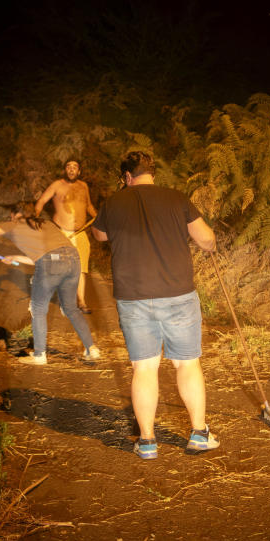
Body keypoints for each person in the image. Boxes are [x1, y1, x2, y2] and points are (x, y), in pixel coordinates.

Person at [91, 151, 219, 459]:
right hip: (177, 293)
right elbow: (207, 240)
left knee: (144, 368)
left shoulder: (113, 203)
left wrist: (119, 203)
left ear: (126, 177)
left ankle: (147, 441)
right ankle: (199, 434)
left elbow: (99, 235)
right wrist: (206, 244)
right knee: (187, 363)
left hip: (133, 297)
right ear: (152, 173)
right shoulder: (177, 198)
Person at [0, 214, 101, 364]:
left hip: (52, 260)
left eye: (12, 215)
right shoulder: (45, 224)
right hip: (73, 258)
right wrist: (17, 258)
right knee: (71, 308)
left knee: (38, 309)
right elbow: (51, 257)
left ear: (16, 216)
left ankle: (39, 355)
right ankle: (91, 349)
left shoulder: (12, 225)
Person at [35, 160, 98, 314]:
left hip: (81, 233)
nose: (71, 169)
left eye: (74, 167)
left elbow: (88, 205)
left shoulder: (83, 186)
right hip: (61, 233)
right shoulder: (57, 185)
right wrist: (35, 217)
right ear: (65, 170)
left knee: (81, 269)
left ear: (79, 171)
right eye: (68, 167)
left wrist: (99, 217)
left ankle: (82, 302)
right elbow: (42, 200)